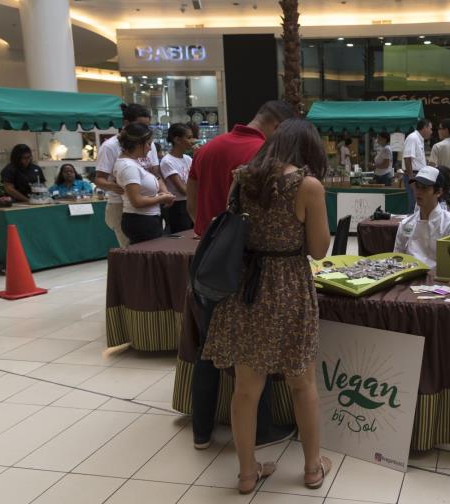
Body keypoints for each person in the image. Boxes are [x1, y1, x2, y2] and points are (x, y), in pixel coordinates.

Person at [201, 118, 332, 494]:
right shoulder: (307, 186)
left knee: (246, 389)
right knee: (302, 383)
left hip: (246, 286)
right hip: (289, 284)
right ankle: (311, 468)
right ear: (308, 150)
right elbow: (320, 250)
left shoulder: (242, 178)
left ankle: (246, 473)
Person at [186, 100, 297, 451]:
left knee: (208, 349)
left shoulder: (206, 149)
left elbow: (191, 206)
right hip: (248, 270)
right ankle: (261, 430)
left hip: (209, 265)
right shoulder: (264, 156)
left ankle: (201, 430)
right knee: (254, 353)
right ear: (278, 126)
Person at [95, 103, 160, 247]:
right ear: (126, 124)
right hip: (122, 205)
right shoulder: (110, 146)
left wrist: (163, 191)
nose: (144, 130)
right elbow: (99, 179)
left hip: (149, 207)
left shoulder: (148, 143)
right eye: (140, 125)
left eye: (147, 126)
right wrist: (116, 185)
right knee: (131, 249)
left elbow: (155, 172)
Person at [113, 123, 175, 245]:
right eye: (148, 144)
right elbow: (137, 201)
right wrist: (162, 198)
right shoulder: (128, 166)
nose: (150, 148)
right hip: (140, 221)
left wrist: (163, 194)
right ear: (137, 144)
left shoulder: (134, 163)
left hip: (146, 219)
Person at [394, 165, 450, 267]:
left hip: (438, 280)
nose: (418, 192)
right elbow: (397, 258)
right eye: (417, 187)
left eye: (424, 188)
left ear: (438, 192)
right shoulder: (406, 224)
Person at [159, 123, 196, 234]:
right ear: (177, 140)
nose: (192, 141)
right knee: (182, 235)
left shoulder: (188, 158)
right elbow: (182, 189)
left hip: (190, 201)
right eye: (188, 137)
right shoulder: (167, 161)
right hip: (178, 206)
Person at [402, 118, 432, 212]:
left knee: (418, 204)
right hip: (414, 176)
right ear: (424, 128)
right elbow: (407, 158)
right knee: (414, 203)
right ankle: (411, 226)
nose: (431, 132)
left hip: (418, 175)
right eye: (430, 129)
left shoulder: (419, 139)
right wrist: (411, 180)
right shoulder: (413, 137)